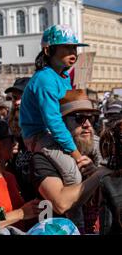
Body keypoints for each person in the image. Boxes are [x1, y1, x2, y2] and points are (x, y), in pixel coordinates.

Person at [20, 24, 90, 186]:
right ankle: (69, 211)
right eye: (66, 48)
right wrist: (77, 156)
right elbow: (54, 122)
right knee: (74, 177)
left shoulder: (63, 76)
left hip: (54, 132)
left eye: (74, 48)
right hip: (39, 135)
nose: (73, 53)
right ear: (48, 51)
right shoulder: (45, 79)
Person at [31, 90, 113, 221]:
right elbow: (61, 204)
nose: (87, 125)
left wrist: (98, 171)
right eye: (79, 118)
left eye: (91, 118)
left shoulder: (101, 150)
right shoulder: (44, 157)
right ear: (61, 124)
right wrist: (98, 175)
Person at [4, 77, 36, 201]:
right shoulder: (9, 129)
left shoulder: (45, 126)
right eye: (14, 98)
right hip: (20, 201)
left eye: (21, 97)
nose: (17, 102)